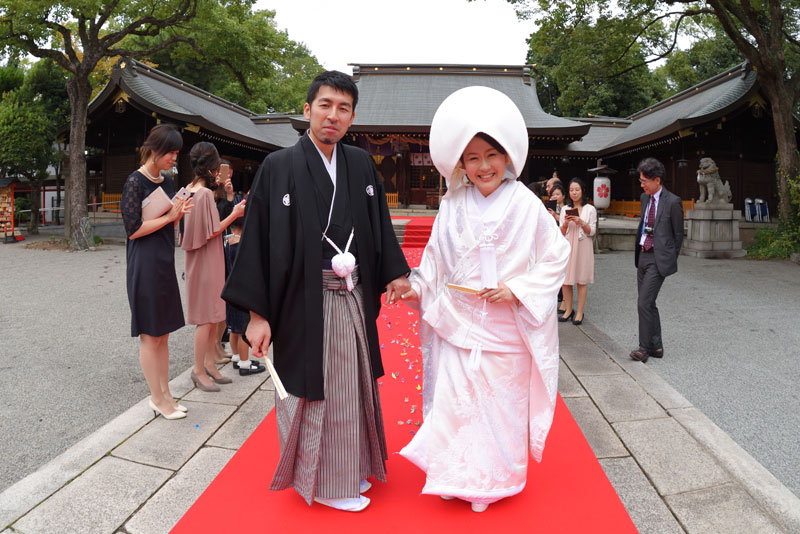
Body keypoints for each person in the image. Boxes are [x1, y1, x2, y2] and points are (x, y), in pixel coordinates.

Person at [221, 70, 411, 512]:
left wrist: (395, 273)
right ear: (307, 110)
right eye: (325, 105)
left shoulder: (361, 164)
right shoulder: (279, 166)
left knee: (353, 382)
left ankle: (351, 468)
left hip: (352, 295)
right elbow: (259, 244)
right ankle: (326, 482)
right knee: (321, 389)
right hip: (303, 302)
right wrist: (256, 314)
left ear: (352, 117)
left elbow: (379, 226)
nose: (333, 115)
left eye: (343, 108)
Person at [398, 86, 570, 513]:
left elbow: (556, 255)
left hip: (506, 328)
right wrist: (414, 286)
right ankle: (456, 476)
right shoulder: (452, 205)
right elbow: (435, 263)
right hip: (459, 325)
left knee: (500, 411)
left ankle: (494, 483)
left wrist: (518, 289)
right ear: (461, 164)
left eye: (491, 155)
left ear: (507, 157)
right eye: (472, 158)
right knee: (458, 406)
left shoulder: (527, 205)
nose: (483, 166)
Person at [121, 124, 192, 420]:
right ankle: (156, 397)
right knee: (150, 334)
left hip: (163, 260)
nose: (174, 158)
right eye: (170, 152)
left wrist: (177, 215)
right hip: (144, 263)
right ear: (154, 150)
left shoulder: (169, 182)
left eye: (177, 153)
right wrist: (170, 217)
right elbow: (133, 230)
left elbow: (168, 224)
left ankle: (165, 394)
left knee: (163, 333)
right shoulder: (134, 182)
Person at [181, 142, 246, 392]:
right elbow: (213, 230)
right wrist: (235, 213)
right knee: (206, 319)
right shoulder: (205, 194)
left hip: (197, 258)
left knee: (209, 316)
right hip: (208, 257)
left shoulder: (188, 190)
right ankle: (199, 369)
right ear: (212, 167)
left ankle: (209, 364)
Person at [630, 157, 684, 362]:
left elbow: (678, 235)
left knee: (643, 302)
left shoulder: (673, 202)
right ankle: (657, 346)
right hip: (643, 254)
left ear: (657, 180)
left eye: (644, 181)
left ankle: (644, 348)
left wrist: (668, 257)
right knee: (649, 302)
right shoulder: (645, 199)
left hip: (658, 259)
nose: (641, 184)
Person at [224, 216, 265, 376]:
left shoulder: (229, 241)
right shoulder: (242, 245)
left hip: (231, 291)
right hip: (242, 293)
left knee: (234, 328)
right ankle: (244, 363)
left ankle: (235, 357)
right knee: (243, 330)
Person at [559, 178, 597, 325]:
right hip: (568, 245)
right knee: (566, 280)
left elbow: (592, 231)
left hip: (583, 245)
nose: (574, 193)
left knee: (581, 280)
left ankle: (579, 311)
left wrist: (581, 222)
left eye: (577, 189)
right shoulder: (564, 209)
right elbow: (561, 232)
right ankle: (568, 310)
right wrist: (566, 223)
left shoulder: (590, 209)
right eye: (571, 190)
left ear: (582, 190)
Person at [213, 159, 235, 365]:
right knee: (216, 300)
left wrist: (230, 195)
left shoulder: (226, 193)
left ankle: (219, 345)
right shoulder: (208, 193)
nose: (225, 176)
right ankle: (214, 347)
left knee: (224, 298)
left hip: (226, 246)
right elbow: (216, 222)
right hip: (214, 247)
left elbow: (232, 219)